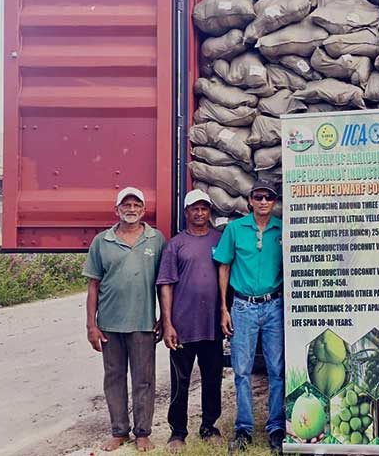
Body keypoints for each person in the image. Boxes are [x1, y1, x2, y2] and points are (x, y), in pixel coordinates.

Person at [82, 187, 167, 452]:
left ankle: (142, 432)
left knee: (144, 380)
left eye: (136, 205)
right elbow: (93, 286)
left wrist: (164, 317)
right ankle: (119, 431)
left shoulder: (156, 239)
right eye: (126, 205)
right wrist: (91, 325)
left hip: (143, 323)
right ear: (116, 209)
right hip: (109, 325)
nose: (131, 209)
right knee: (114, 378)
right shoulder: (102, 241)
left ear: (143, 210)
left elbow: (164, 284)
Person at [213, 179, 285, 454]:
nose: (264, 201)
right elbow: (224, 267)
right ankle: (243, 429)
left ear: (274, 202)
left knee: (276, 369)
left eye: (268, 197)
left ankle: (276, 427)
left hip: (274, 306)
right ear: (250, 201)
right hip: (243, 307)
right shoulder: (235, 229)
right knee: (241, 370)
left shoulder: (282, 229)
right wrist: (223, 307)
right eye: (259, 197)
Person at [156, 189, 224, 452]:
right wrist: (168, 323)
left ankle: (209, 426)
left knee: (212, 378)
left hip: (212, 325)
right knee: (180, 381)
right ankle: (177, 432)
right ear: (186, 213)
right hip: (183, 326)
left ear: (210, 211)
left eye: (204, 208)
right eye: (194, 208)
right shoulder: (175, 244)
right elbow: (166, 284)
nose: (199, 213)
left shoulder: (219, 239)